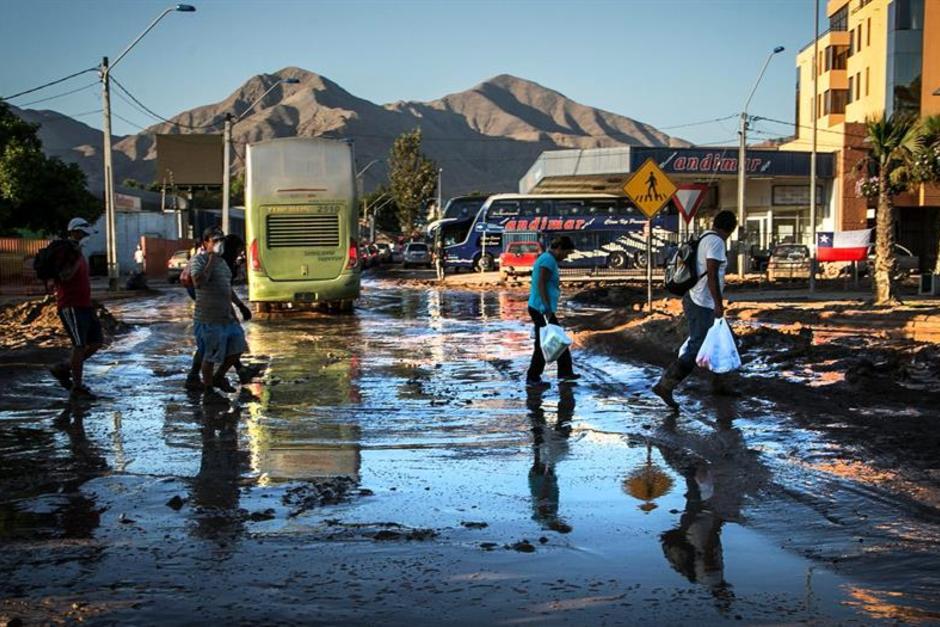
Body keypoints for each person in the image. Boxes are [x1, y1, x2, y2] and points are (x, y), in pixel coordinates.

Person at [652, 210, 737, 409]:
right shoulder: (716, 242)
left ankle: (720, 384)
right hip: (702, 302)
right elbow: (712, 273)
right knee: (698, 345)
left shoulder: (705, 237)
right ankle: (665, 385)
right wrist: (718, 303)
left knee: (723, 340)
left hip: (697, 298)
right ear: (730, 228)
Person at [189, 226, 248, 402]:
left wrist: (240, 306)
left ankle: (218, 377)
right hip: (208, 319)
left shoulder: (223, 263)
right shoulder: (199, 261)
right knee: (210, 355)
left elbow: (226, 287)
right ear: (206, 242)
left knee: (238, 346)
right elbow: (199, 282)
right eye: (215, 241)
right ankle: (208, 391)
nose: (218, 244)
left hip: (225, 317)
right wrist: (211, 260)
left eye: (220, 240)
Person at [48, 217, 103, 400]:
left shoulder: (77, 252)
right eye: (85, 233)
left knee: (96, 342)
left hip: (84, 304)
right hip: (70, 305)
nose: (88, 237)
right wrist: (76, 259)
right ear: (76, 232)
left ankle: (65, 367)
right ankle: (77, 387)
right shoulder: (67, 252)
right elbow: (64, 276)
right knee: (79, 345)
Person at [526, 236, 579, 388]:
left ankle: (565, 372)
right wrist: (546, 306)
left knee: (558, 338)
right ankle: (533, 377)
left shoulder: (548, 259)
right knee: (544, 343)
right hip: (541, 308)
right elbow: (541, 283)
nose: (566, 257)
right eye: (566, 253)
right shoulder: (548, 260)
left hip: (541, 307)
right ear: (559, 248)